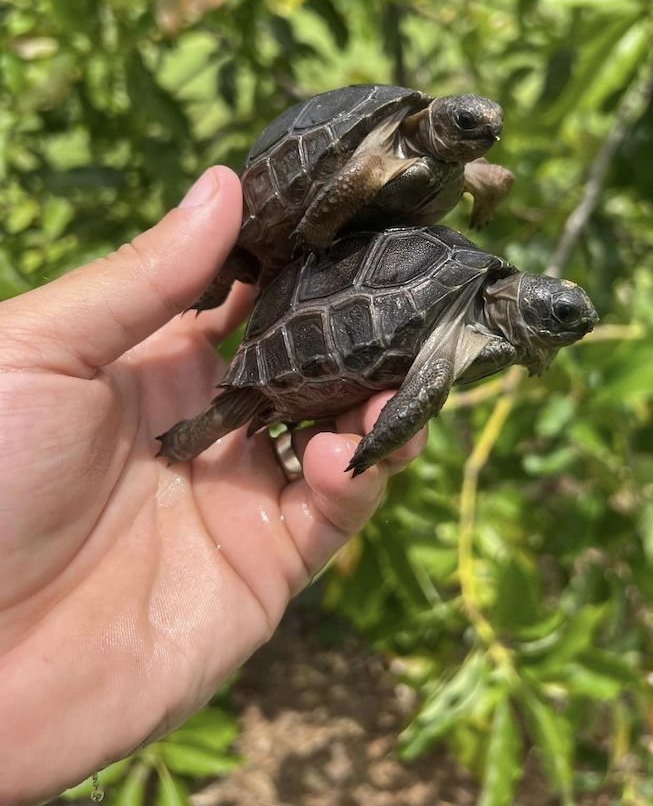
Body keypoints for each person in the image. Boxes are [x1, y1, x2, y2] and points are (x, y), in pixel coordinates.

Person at [0, 167, 425, 806]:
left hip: (330, 329)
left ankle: (180, 442)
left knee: (285, 422)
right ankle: (178, 443)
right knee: (242, 410)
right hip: (294, 333)